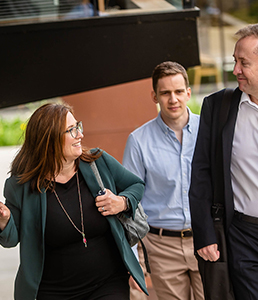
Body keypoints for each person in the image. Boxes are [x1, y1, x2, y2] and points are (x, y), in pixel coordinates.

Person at [189, 23, 258, 300]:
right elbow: (201, 171)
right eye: (234, 61)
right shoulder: (218, 107)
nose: (235, 70)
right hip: (243, 238)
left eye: (244, 63)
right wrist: (205, 233)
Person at [0, 103, 147, 300]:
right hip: (52, 292)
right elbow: (11, 239)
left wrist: (123, 202)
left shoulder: (98, 162)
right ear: (49, 139)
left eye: (78, 126)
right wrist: (4, 221)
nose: (80, 135)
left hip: (108, 283)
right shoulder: (21, 186)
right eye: (71, 130)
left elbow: (136, 185)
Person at [123, 61, 204, 300]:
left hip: (205, 241)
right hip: (161, 246)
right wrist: (131, 258)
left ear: (188, 93)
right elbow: (130, 201)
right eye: (165, 93)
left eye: (179, 91)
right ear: (154, 96)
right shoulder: (138, 141)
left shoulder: (208, 130)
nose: (173, 99)